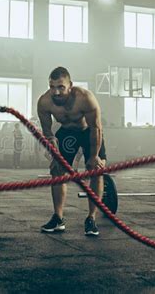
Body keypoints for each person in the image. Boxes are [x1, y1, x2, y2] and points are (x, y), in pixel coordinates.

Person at [37, 66, 106, 236]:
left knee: (96, 170)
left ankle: (91, 219)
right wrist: (51, 144)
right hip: (67, 133)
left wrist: (94, 156)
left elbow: (95, 129)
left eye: (61, 87)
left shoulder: (85, 98)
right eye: (52, 87)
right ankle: (58, 218)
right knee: (56, 171)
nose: (56, 92)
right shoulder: (44, 102)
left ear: (70, 85)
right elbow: (47, 131)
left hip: (88, 132)